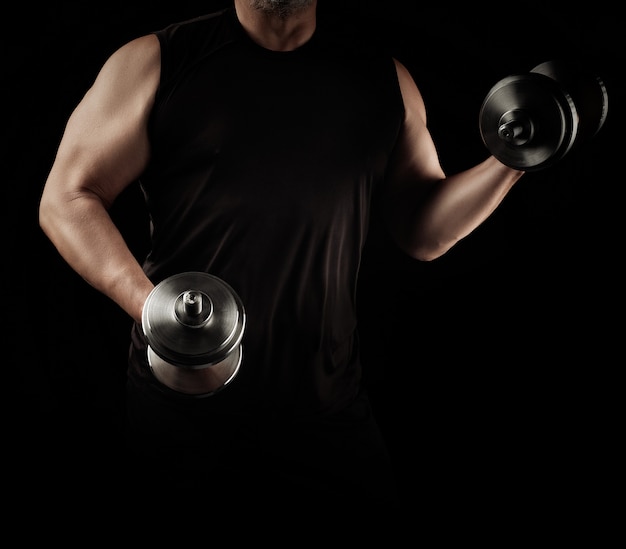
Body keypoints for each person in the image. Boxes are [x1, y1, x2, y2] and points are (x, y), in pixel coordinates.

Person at [38, 0, 524, 514]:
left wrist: (513, 160)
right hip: (187, 408)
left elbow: (424, 231)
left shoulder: (382, 78)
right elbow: (67, 199)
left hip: (326, 406)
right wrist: (160, 316)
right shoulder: (158, 62)